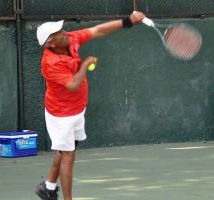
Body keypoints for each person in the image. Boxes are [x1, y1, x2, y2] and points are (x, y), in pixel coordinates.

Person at [34, 11, 145, 200]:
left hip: (77, 108)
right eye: (59, 33)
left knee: (67, 149)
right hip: (61, 115)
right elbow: (72, 85)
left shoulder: (69, 39)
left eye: (62, 29)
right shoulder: (51, 63)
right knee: (68, 155)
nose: (64, 33)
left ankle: (48, 187)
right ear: (51, 43)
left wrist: (129, 21)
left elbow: (98, 30)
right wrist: (85, 64)